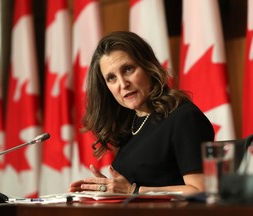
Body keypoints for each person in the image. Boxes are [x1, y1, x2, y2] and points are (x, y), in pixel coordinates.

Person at [69, 31, 215, 195]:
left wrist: (133, 191)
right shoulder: (130, 123)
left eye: (128, 69)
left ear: (148, 67)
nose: (123, 84)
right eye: (111, 78)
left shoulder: (184, 117)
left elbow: (202, 191)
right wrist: (111, 191)